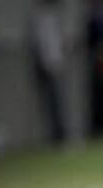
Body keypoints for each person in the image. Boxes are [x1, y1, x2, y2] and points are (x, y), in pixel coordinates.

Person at [29, 0, 68, 145]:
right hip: (47, 68)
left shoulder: (53, 17)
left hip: (55, 66)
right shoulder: (39, 18)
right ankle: (56, 136)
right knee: (52, 104)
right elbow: (41, 46)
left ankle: (60, 135)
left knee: (58, 104)